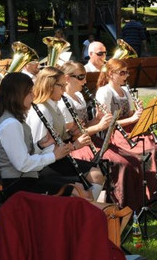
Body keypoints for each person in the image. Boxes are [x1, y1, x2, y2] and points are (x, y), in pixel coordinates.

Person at [58, 61, 147, 209]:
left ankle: (129, 206)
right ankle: (117, 206)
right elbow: (72, 135)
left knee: (130, 160)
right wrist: (99, 125)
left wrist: (97, 118)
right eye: (81, 77)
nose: (85, 81)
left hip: (92, 140)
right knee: (122, 164)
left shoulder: (79, 95)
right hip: (79, 146)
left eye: (85, 76)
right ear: (67, 78)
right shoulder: (63, 102)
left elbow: (85, 125)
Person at [96, 58, 157, 196]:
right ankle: (151, 192)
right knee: (150, 149)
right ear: (111, 74)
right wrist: (131, 118)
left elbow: (129, 113)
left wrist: (138, 113)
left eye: (126, 73)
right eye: (122, 73)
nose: (126, 76)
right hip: (116, 133)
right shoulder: (104, 92)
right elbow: (106, 122)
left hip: (131, 129)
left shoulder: (125, 90)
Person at [0, 72, 80, 198]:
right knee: (79, 193)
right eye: (30, 92)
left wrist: (41, 145)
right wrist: (54, 156)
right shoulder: (10, 124)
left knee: (80, 189)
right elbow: (23, 164)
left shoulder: (14, 120)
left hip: (25, 180)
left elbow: (22, 154)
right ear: (17, 95)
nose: (33, 96)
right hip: (17, 186)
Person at [27, 67, 105, 198]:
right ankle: (85, 210)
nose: (64, 90)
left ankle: (88, 209)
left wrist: (72, 134)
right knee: (87, 187)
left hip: (57, 159)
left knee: (96, 174)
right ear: (49, 86)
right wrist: (74, 146)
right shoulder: (41, 110)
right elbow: (37, 149)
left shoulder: (54, 105)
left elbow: (58, 137)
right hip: (45, 165)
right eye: (61, 86)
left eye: (65, 85)